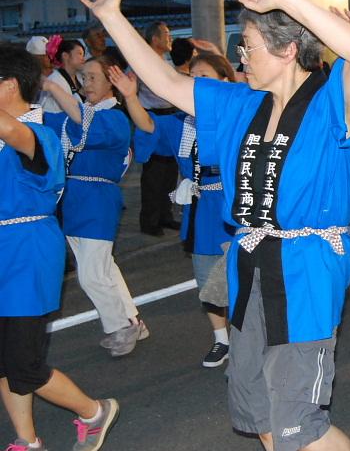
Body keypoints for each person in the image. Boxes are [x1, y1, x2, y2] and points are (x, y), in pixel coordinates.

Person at [81, 0, 350, 451]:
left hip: (306, 275)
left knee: (299, 425)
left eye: (249, 47)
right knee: (257, 410)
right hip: (249, 267)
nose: (240, 59)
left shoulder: (331, 104)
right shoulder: (242, 103)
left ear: (286, 50)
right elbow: (164, 81)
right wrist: (113, 18)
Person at [0, 44, 119, 451]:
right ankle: (27, 440)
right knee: (5, 358)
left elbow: (14, 134)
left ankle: (93, 411)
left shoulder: (38, 133)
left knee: (24, 365)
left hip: (28, 251)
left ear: (10, 85)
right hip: (7, 249)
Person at [111, 53, 234, 368]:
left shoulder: (238, 114)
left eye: (205, 75)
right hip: (201, 208)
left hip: (236, 206)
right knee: (207, 280)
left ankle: (252, 337)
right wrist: (129, 96)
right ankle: (222, 340)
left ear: (225, 80)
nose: (197, 82)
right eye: (193, 76)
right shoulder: (182, 121)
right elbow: (148, 125)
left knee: (245, 276)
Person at [42, 55, 148, 357]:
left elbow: (78, 121)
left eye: (92, 77)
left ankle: (120, 326)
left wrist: (51, 85)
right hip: (76, 199)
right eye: (83, 77)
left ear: (111, 82)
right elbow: (49, 121)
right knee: (104, 269)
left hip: (96, 200)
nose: (85, 84)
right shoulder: (87, 112)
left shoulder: (114, 117)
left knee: (91, 274)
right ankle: (133, 321)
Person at [138, 21, 181, 236]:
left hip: (170, 115)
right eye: (166, 34)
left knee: (170, 170)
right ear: (154, 39)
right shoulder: (142, 61)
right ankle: (150, 220)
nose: (169, 38)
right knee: (154, 173)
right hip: (152, 118)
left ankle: (166, 215)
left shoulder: (165, 59)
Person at [43, 38, 85, 113]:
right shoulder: (54, 80)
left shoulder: (80, 78)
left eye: (83, 55)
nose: (83, 59)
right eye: (79, 54)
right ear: (65, 56)